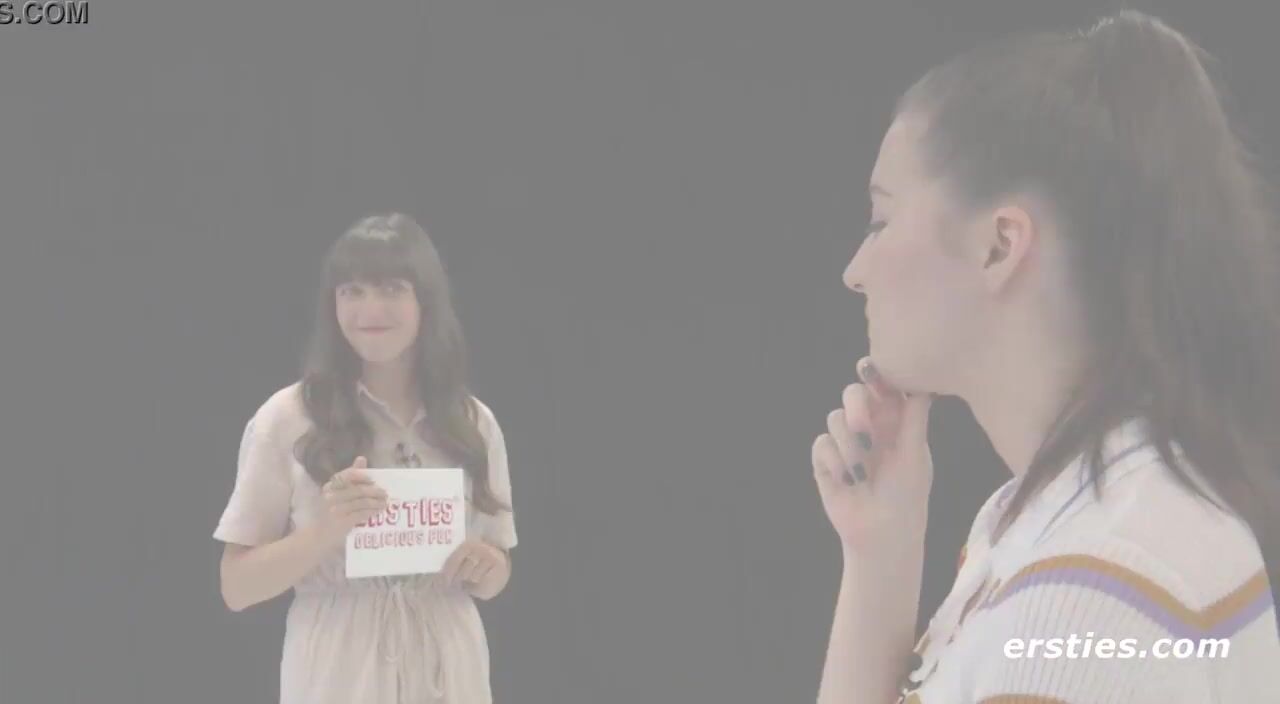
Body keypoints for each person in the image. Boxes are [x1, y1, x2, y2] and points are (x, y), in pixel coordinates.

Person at [812, 11, 1280, 703]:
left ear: (999, 246)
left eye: (882, 219)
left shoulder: (1088, 589)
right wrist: (880, 556)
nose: (855, 271)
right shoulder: (1049, 520)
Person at [213, 213, 517, 703]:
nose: (370, 309)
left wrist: (487, 567)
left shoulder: (472, 422)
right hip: (339, 671)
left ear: (425, 301)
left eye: (392, 289)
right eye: (352, 291)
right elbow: (237, 586)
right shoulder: (288, 419)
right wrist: (326, 530)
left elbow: (498, 569)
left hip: (449, 667)